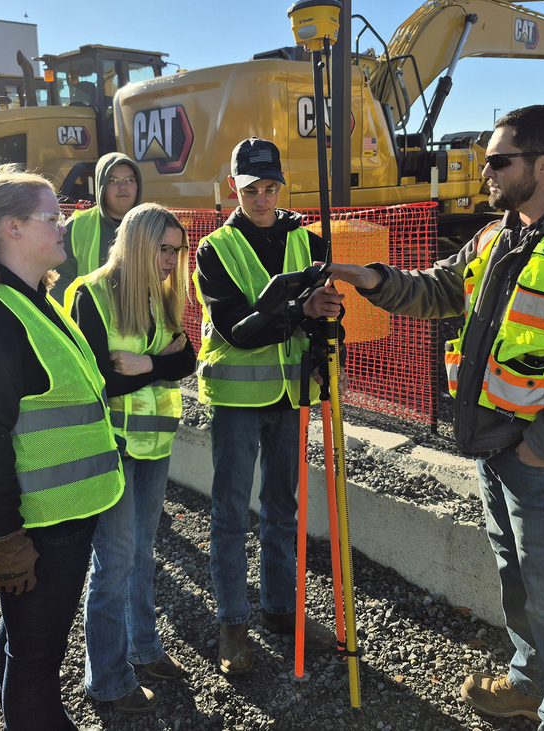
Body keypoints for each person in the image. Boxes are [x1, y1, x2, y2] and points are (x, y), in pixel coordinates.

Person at [327, 105, 544, 731]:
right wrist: (371, 278)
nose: (486, 169)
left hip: (543, 456)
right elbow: (441, 289)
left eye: (499, 159)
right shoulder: (500, 234)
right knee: (518, 579)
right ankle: (529, 686)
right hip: (494, 444)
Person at [0, 165, 125, 731]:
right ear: (11, 227)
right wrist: (5, 538)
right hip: (39, 527)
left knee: (27, 649)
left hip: (64, 515)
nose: (64, 225)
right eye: (52, 216)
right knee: (37, 660)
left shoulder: (37, 302)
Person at [193, 137, 343, 675]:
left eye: (270, 188)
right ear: (233, 187)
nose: (261, 198)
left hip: (292, 395)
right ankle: (233, 624)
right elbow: (235, 330)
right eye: (251, 188)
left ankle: (282, 611)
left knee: (284, 509)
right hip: (236, 397)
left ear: (282, 186)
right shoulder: (214, 250)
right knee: (230, 513)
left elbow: (326, 315)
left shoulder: (310, 241)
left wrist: (326, 317)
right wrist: (297, 308)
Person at [65, 203, 197, 712]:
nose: (172, 259)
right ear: (139, 244)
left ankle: (144, 649)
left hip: (154, 444)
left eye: (177, 249)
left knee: (143, 553)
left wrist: (149, 363)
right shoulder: (90, 294)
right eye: (164, 249)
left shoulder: (162, 294)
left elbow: (188, 359)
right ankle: (107, 677)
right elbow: (100, 379)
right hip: (112, 445)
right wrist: (158, 365)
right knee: (114, 561)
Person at [54, 152, 143, 294]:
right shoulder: (76, 226)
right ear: (101, 184)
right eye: (114, 180)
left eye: (130, 180)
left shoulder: (150, 226)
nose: (123, 186)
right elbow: (60, 282)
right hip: (87, 315)